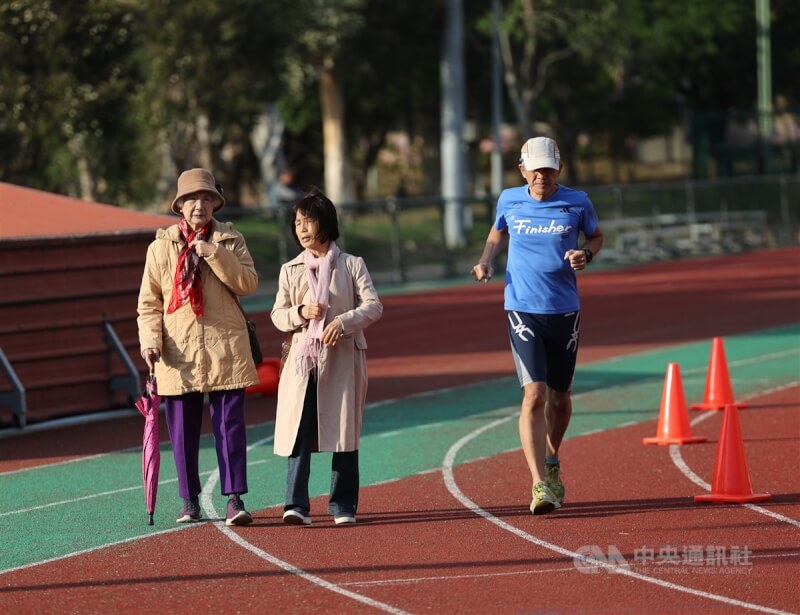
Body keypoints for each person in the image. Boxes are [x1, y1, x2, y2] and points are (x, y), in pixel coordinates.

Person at [471, 136, 603, 515]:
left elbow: (596, 235)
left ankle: (552, 460)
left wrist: (586, 254)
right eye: (536, 169)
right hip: (521, 308)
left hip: (564, 311)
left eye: (548, 169)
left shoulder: (577, 202)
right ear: (523, 169)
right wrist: (486, 260)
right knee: (535, 395)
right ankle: (539, 483)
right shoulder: (509, 200)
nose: (542, 176)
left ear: (558, 169)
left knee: (560, 398)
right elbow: (498, 232)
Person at [137, 168, 259, 526]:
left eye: (207, 199)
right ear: (180, 205)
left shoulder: (231, 239)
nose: (199, 206)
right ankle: (189, 500)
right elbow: (149, 303)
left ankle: (235, 500)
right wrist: (150, 343)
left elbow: (248, 282)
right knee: (182, 432)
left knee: (230, 428)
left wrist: (214, 254)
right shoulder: (160, 248)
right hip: (179, 354)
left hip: (226, 349)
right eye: (192, 199)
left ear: (215, 203)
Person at [271, 188, 383, 526]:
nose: (302, 229)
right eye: (297, 223)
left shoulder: (351, 265)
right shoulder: (290, 269)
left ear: (327, 222)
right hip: (303, 363)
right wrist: (300, 312)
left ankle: (342, 506)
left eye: (309, 221)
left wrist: (343, 322)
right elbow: (277, 314)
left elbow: (373, 306)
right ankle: (295, 505)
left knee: (344, 432)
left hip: (343, 359)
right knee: (299, 430)